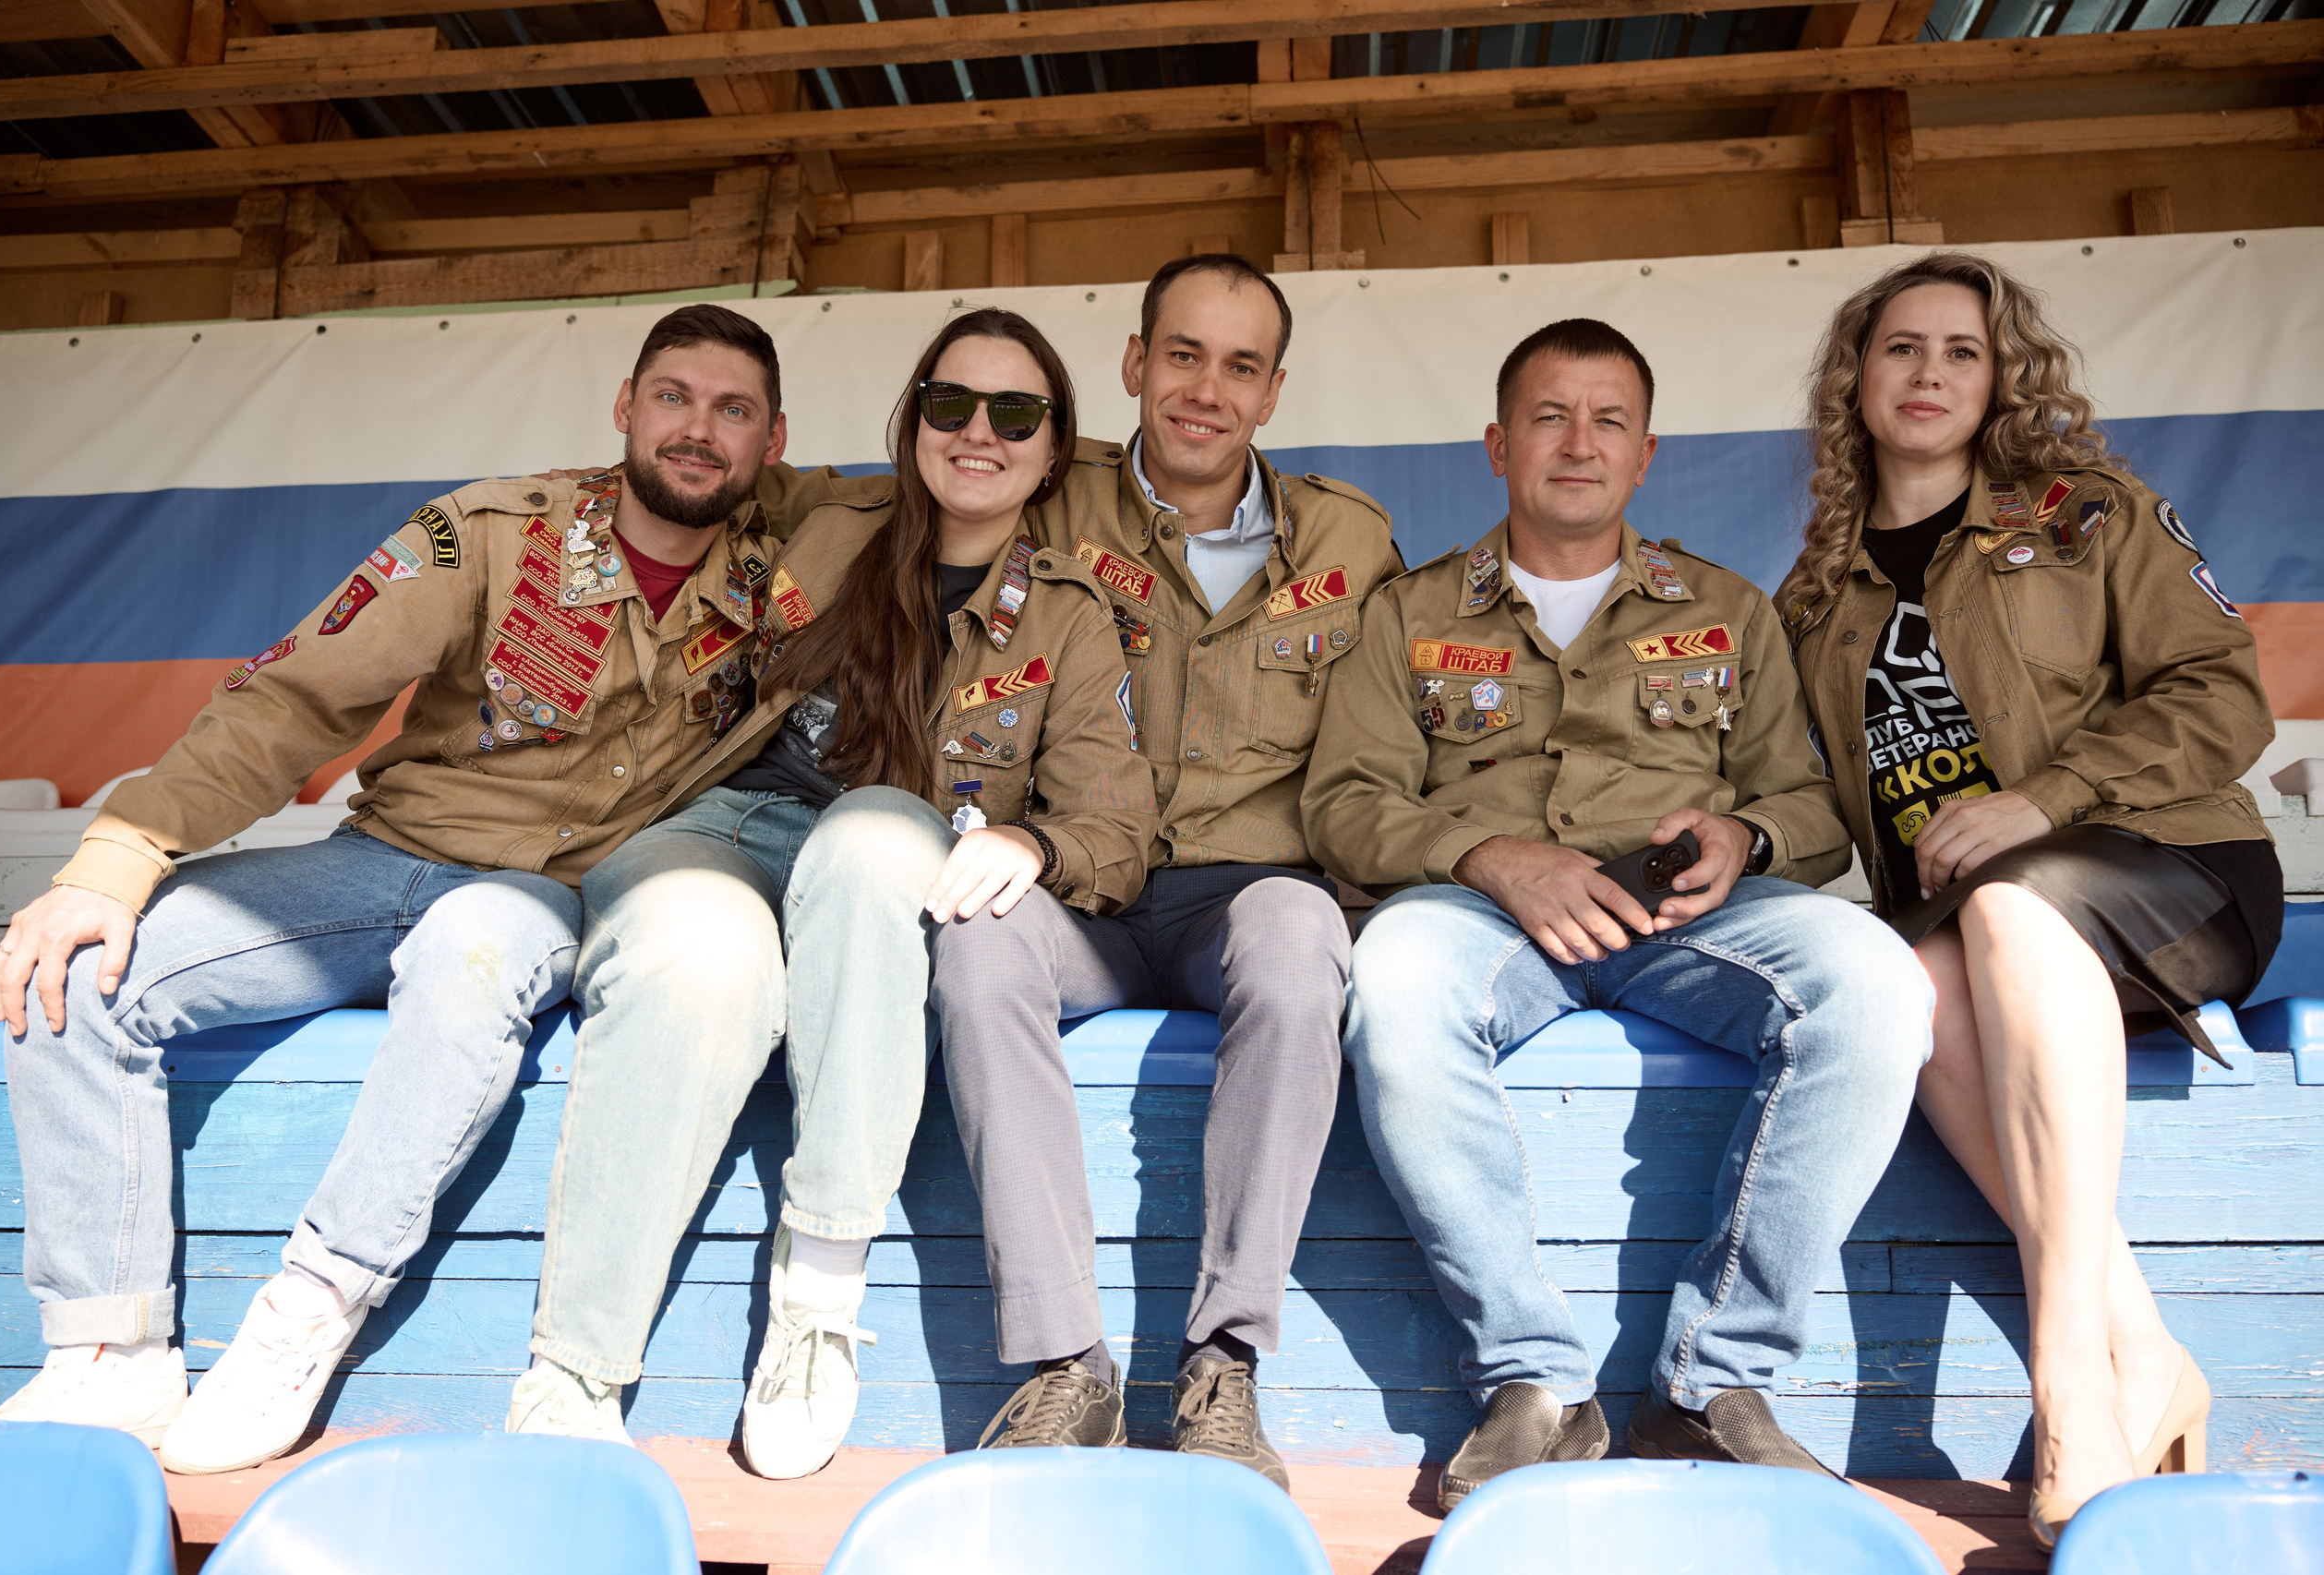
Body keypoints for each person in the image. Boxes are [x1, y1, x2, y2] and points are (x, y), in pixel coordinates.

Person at [0, 304, 864, 1472]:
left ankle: (310, 1309)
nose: (698, 430)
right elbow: (292, 701)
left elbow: (981, 472)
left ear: (773, 439)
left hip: (553, 893)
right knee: (79, 971)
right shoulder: (488, 532)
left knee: (474, 948)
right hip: (389, 855)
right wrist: (117, 857)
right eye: (674, 397)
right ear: (624, 406)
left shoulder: (799, 541)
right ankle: (110, 1353)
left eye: (732, 409)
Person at [510, 307, 1156, 1479]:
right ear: (912, 417)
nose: (979, 432)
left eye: (1016, 415)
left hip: (877, 857)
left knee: (865, 838)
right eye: (951, 403)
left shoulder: (1068, 610)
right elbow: (682, 467)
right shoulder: (820, 512)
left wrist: (1035, 846)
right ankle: (575, 1366)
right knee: (691, 949)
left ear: (1054, 448)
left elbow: (1114, 830)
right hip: (723, 824)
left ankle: (816, 1291)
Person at [1302, 318, 1934, 1509]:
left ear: (1647, 454)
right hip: (1485, 916)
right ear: (1497, 444)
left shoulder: (1729, 609)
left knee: (1879, 982)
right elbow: (1345, 803)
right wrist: (1491, 856)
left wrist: (1744, 837)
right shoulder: (1410, 612)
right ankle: (1535, 1382)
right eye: (1549, 417)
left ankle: (1713, 1380)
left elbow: (1808, 809)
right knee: (1390, 977)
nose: (1577, 444)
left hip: (1686, 920)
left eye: (1607, 422)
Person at [1774, 253, 2280, 1545]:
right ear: (1857, 379)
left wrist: (2045, 799)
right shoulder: (1815, 593)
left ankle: (2071, 1391)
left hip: (2168, 871)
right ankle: (2144, 1345)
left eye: (1960, 349)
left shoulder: (2086, 513)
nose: (1928, 372)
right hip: (1963, 926)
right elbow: (1815, 800)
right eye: (1901, 348)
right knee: (1911, 974)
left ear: (2001, 377)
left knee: (2007, 906)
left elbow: (2222, 697)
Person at [929, 254, 1403, 1488]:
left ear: (1274, 390)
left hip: (1239, 899)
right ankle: (1065, 1368)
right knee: (974, 938)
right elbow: (862, 502)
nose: (1207, 389)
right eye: (1182, 354)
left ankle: (1222, 1363)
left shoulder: (1351, 538)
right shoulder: (1045, 494)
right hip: (1076, 885)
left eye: (1240, 365)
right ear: (1135, 364)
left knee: (1304, 933)